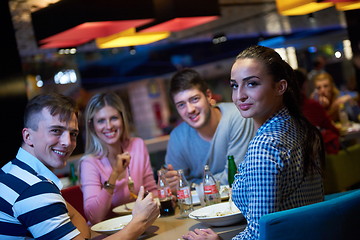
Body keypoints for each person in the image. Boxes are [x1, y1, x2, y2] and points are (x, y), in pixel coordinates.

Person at [183, 46, 324, 240]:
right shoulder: (301, 127)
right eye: (234, 85)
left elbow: (260, 235)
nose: (239, 95)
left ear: (279, 87)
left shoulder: (265, 145)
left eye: (252, 84)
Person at [0, 92, 159, 240]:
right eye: (56, 130)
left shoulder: (12, 171)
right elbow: (90, 220)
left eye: (73, 134)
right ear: (28, 136)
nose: (67, 142)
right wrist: (139, 223)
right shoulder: (35, 189)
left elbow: (81, 224)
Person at [164, 68, 255, 192]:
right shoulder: (177, 137)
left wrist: (192, 185)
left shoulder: (238, 117)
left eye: (194, 99)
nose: (190, 109)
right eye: (181, 105)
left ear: (208, 95)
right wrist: (171, 182)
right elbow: (176, 185)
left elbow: (236, 177)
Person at [80, 91, 158, 224]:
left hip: (139, 225)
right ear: (92, 126)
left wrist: (168, 190)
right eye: (101, 121)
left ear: (122, 119)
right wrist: (115, 174)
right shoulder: (89, 163)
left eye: (114, 118)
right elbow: (94, 217)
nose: (109, 126)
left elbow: (151, 192)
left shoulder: (137, 145)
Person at [294, 69, 340, 154]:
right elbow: (329, 125)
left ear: (332, 86)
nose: (322, 90)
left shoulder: (339, 100)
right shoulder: (312, 104)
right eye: (319, 87)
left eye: (326, 86)